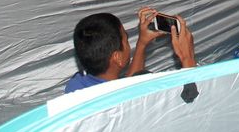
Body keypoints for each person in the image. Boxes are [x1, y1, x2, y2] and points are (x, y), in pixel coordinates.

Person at [65, 7, 196, 93]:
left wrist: (142, 43)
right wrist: (187, 58)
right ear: (117, 57)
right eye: (126, 39)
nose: (128, 44)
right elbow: (194, 101)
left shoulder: (75, 85)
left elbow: (126, 86)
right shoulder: (131, 103)